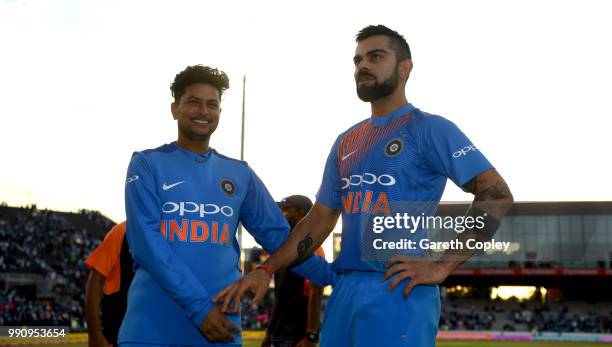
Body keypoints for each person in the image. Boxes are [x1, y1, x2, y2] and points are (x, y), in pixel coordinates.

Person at [215, 25, 514, 347]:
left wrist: (442, 265)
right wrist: (265, 270)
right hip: (345, 289)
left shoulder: (429, 129)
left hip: (399, 287)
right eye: (358, 60)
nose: (363, 67)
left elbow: (496, 194)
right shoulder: (347, 140)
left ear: (405, 68)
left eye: (375, 57)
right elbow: (319, 219)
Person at [120, 65, 336, 347]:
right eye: (193, 102)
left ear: (220, 112)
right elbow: (146, 245)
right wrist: (199, 308)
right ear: (175, 109)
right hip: (151, 330)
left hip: (221, 329)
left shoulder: (239, 173)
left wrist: (336, 277)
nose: (203, 111)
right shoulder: (146, 164)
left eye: (212, 104)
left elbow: (281, 240)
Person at [262, 196, 324, 347]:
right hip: (279, 334)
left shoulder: (312, 248)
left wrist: (310, 335)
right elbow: (280, 297)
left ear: (300, 213)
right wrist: (270, 333)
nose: (281, 213)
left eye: (285, 209)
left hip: (296, 337)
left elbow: (315, 295)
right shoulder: (285, 248)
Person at [85, 221, 134, 347]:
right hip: (118, 335)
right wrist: (95, 333)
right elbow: (95, 282)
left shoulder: (173, 234)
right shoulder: (122, 231)